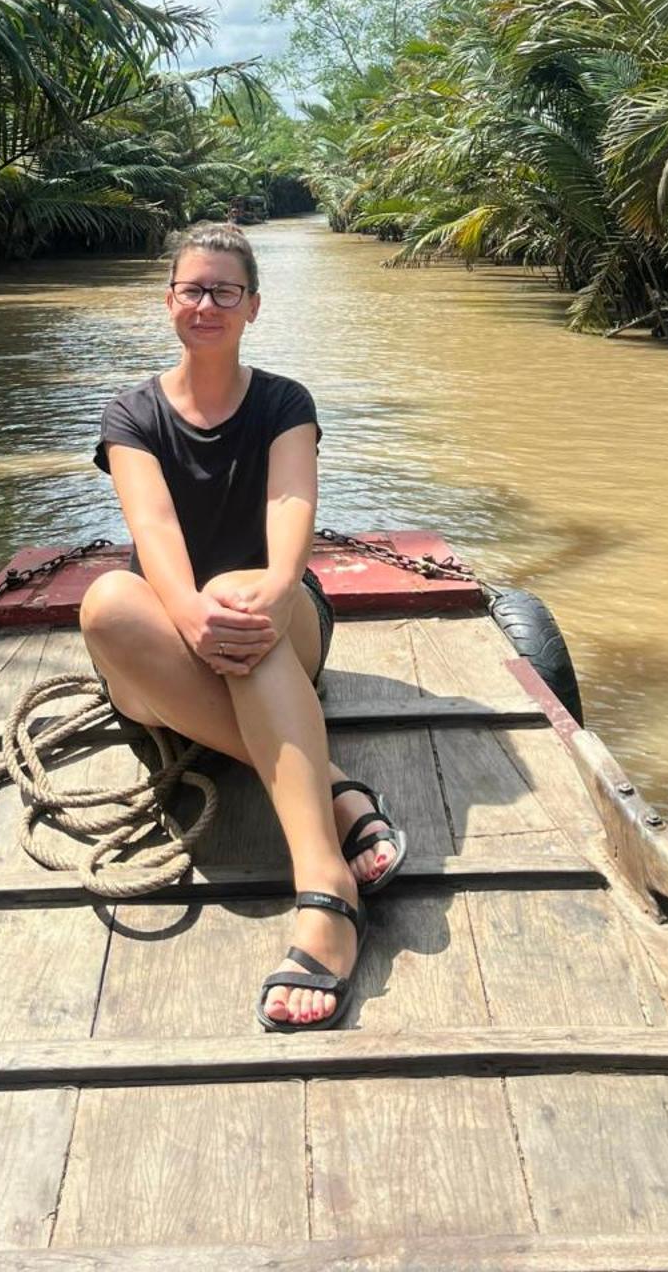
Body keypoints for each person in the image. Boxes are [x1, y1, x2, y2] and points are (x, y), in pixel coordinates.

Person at [81, 221, 408, 1032]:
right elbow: (152, 531)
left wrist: (260, 593)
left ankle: (325, 892)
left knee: (243, 592)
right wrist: (190, 614)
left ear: (253, 306)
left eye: (225, 290)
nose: (207, 303)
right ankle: (333, 790)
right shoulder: (132, 413)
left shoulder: (284, 402)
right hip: (175, 639)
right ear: (168, 301)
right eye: (192, 288)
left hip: (280, 626)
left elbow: (290, 506)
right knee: (106, 604)